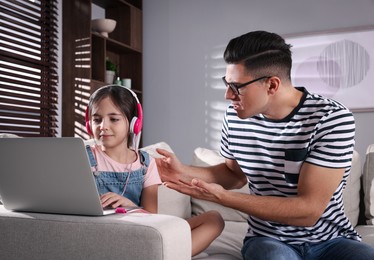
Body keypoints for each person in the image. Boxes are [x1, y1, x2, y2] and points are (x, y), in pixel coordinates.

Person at [155, 31, 374, 259]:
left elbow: (308, 211)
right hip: (269, 239)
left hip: (331, 241)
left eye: (236, 87)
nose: (228, 96)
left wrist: (224, 198)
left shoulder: (331, 118)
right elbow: (234, 175)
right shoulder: (234, 116)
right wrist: (182, 171)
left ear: (271, 85)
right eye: (226, 84)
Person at [85, 85, 224, 256]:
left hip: (140, 234)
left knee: (214, 219)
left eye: (114, 119)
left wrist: (130, 207)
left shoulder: (145, 163)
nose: (103, 126)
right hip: (104, 236)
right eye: (97, 119)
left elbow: (151, 217)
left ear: (134, 124)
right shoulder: (84, 158)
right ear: (88, 123)